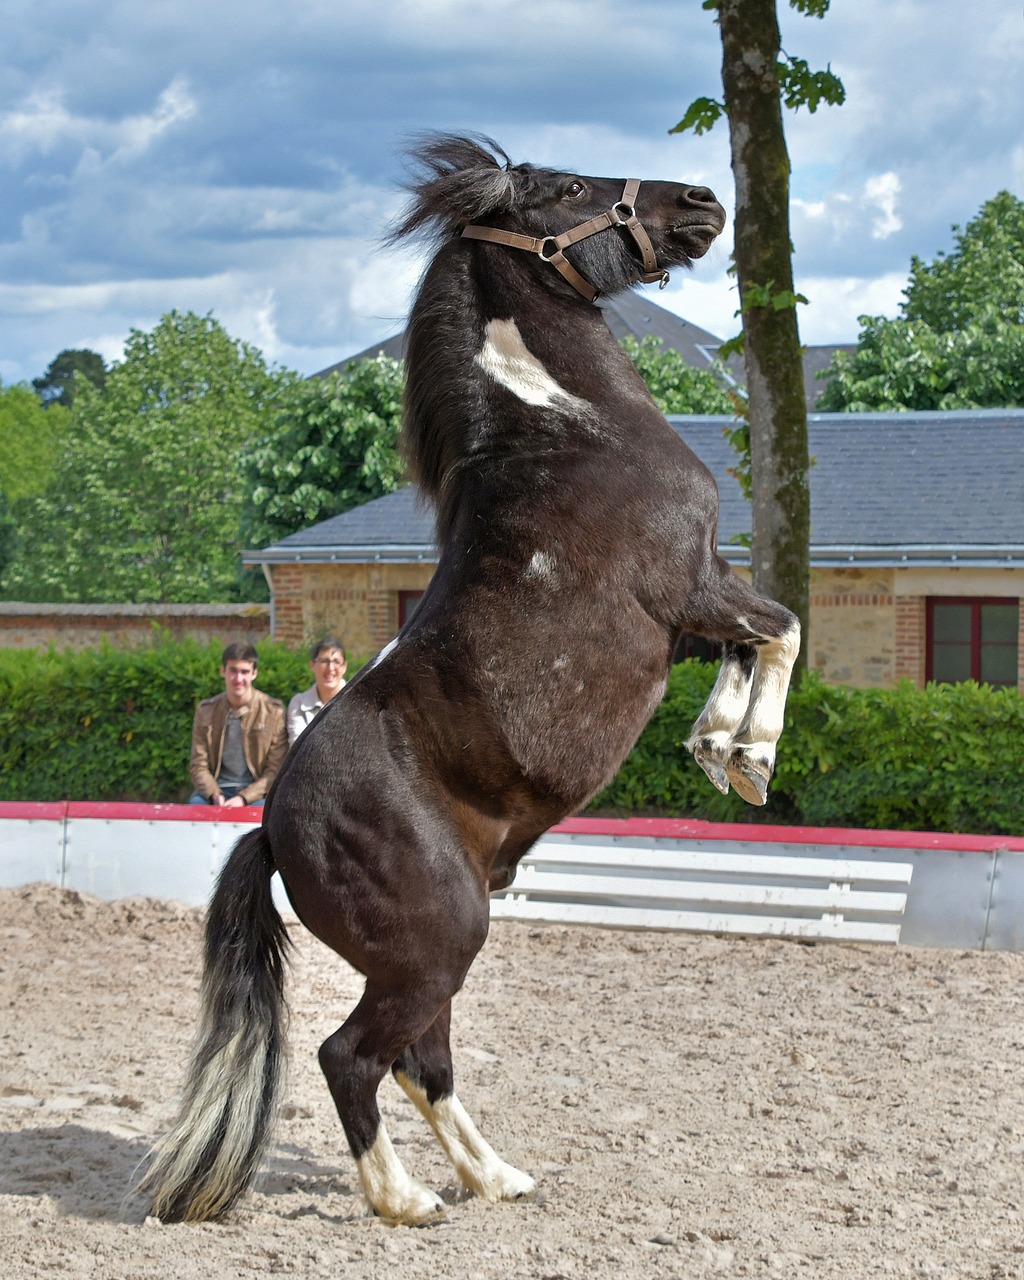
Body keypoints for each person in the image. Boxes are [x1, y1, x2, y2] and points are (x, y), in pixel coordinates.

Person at [188, 641, 288, 807]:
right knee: (196, 807)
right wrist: (214, 794)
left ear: (254, 673)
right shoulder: (206, 710)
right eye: (233, 670)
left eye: (244, 672)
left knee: (262, 811)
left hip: (256, 794)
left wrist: (243, 798)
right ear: (223, 671)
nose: (238, 678)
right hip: (217, 789)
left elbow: (275, 771)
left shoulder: (273, 712)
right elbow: (198, 765)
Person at [286, 636, 348, 745]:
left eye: (336, 661)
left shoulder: (356, 701)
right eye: (324, 661)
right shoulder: (298, 704)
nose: (330, 668)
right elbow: (297, 748)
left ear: (344, 667)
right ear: (312, 665)